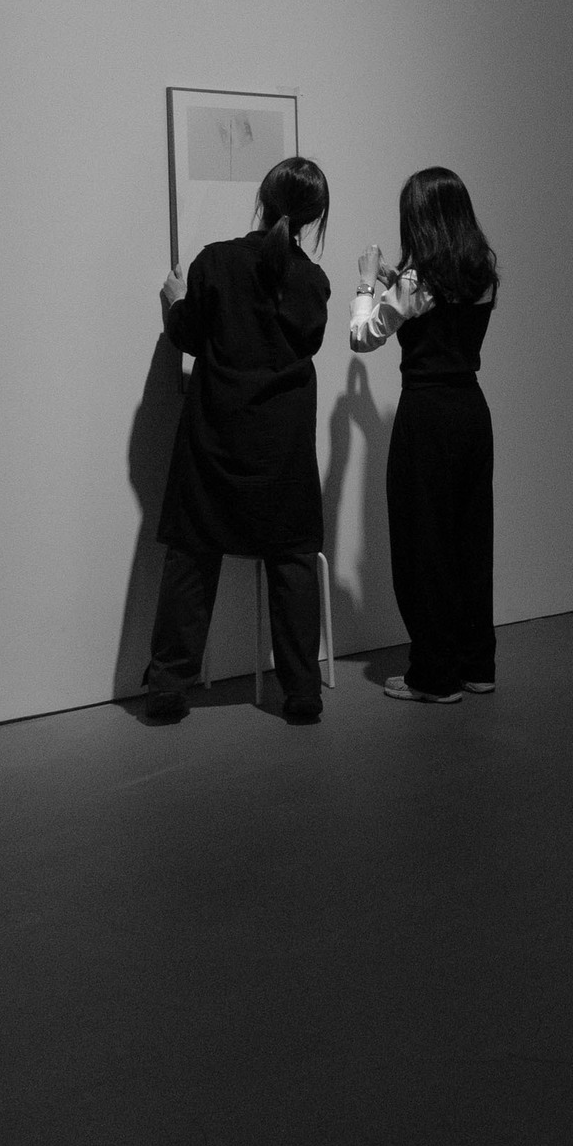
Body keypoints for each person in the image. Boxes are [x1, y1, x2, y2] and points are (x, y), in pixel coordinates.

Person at [145, 157, 332, 724]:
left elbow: (189, 334)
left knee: (193, 552)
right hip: (283, 447)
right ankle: (302, 692)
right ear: (313, 218)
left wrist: (176, 302)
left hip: (216, 437)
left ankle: (168, 686)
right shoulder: (312, 283)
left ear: (262, 199)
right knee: (293, 557)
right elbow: (306, 341)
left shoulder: (215, 262)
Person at [351, 166, 497, 704]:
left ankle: (434, 675)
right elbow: (429, 308)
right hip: (470, 411)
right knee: (469, 539)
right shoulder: (481, 272)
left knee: (423, 543)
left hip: (427, 414)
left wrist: (368, 282)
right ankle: (477, 664)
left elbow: (361, 337)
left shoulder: (415, 283)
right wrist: (398, 284)